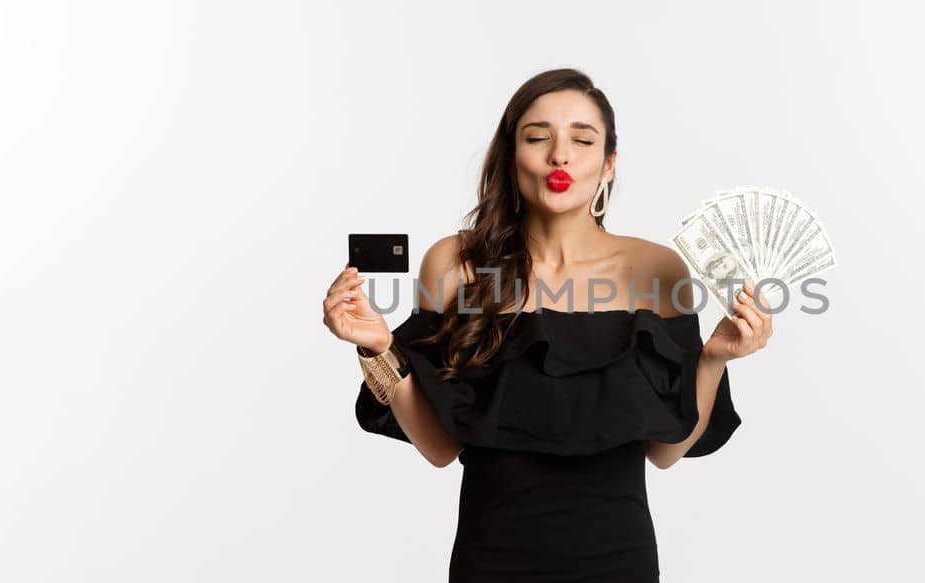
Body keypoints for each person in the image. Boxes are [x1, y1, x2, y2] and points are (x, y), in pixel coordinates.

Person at [323, 68, 775, 582]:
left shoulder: (658, 269)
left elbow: (666, 452)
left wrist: (713, 357)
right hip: (490, 561)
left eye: (582, 140)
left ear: (608, 164)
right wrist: (378, 348)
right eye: (538, 137)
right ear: (512, 156)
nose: (560, 155)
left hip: (618, 561)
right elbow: (439, 447)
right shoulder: (454, 264)